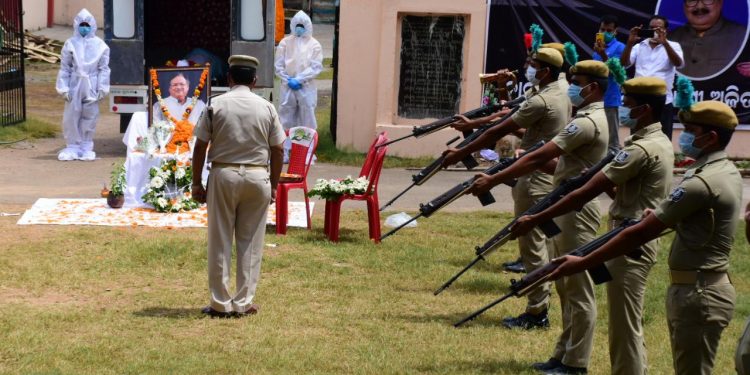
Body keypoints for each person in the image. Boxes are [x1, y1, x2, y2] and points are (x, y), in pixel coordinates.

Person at [549, 100, 741, 374]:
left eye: (690, 130)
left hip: (699, 293)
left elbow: (640, 233)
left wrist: (582, 261)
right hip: (695, 289)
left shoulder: (701, 182)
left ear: (710, 137)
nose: (684, 136)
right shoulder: (719, 172)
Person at [511, 77, 674, 375]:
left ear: (646, 109)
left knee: (623, 325)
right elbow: (622, 192)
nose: (623, 107)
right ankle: (566, 355)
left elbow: (582, 194)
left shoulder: (640, 149)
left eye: (629, 103)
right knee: (615, 317)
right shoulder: (655, 143)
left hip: (630, 239)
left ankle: (577, 363)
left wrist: (535, 218)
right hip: (624, 232)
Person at [459, 60, 610, 374]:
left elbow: (541, 154)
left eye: (577, 81)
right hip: (568, 204)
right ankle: (564, 356)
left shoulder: (586, 122)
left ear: (592, 87)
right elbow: (555, 164)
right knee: (566, 286)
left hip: (577, 212)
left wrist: (495, 178)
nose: (572, 87)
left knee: (577, 288)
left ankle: (576, 362)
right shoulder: (588, 116)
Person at [443, 47, 571, 331]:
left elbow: (499, 128)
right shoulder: (559, 90)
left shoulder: (544, 99)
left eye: (533, 64)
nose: (529, 68)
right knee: (541, 243)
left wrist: (462, 147)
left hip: (535, 177)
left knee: (533, 246)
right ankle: (540, 306)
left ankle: (537, 312)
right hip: (542, 173)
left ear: (546, 70)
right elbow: (507, 114)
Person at [191, 55, 285, 318]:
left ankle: (220, 303)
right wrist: (274, 185)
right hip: (257, 176)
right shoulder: (267, 107)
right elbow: (278, 148)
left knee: (220, 239)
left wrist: (196, 183)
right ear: (254, 81)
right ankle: (243, 301)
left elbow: (200, 146)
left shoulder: (215, 104)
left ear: (229, 78)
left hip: (224, 173)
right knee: (252, 241)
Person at [55, 8, 110, 161]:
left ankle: (86, 146)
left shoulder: (101, 45)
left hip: (91, 83)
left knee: (90, 114)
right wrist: (64, 87)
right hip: (74, 82)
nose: (84, 27)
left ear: (92, 25)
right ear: (76, 25)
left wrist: (102, 87)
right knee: (72, 114)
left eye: (87, 24)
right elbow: (65, 67)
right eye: (82, 24)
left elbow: (103, 68)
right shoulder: (70, 44)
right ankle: (72, 146)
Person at [622, 15, 684, 140]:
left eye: (658, 28)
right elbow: (624, 63)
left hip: (662, 101)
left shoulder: (673, 46)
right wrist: (629, 43)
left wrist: (665, 43)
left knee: (662, 139)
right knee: (637, 138)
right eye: (651, 28)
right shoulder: (639, 46)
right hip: (639, 101)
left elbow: (679, 64)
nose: (654, 31)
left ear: (665, 30)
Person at [275, 10, 323, 160]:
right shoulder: (285, 42)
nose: (299, 28)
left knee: (307, 118)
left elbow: (315, 67)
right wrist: (288, 79)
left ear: (308, 26)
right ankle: (285, 152)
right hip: (287, 86)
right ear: (293, 25)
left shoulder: (314, 44)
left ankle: (307, 153)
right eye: (297, 25)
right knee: (286, 118)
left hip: (306, 87)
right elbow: (279, 64)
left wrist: (300, 79)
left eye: (302, 25)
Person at [671, 0, 746, 78]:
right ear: (684, 6)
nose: (700, 7)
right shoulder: (669, 39)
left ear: (720, 3)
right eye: (692, 0)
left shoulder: (742, 37)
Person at [592, 15, 626, 149]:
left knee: (612, 141)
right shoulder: (598, 47)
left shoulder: (620, 47)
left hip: (610, 98)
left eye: (609, 30)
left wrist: (603, 55)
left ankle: (612, 167)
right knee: (596, 136)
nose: (605, 33)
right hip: (595, 99)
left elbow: (616, 72)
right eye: (602, 29)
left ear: (615, 31)